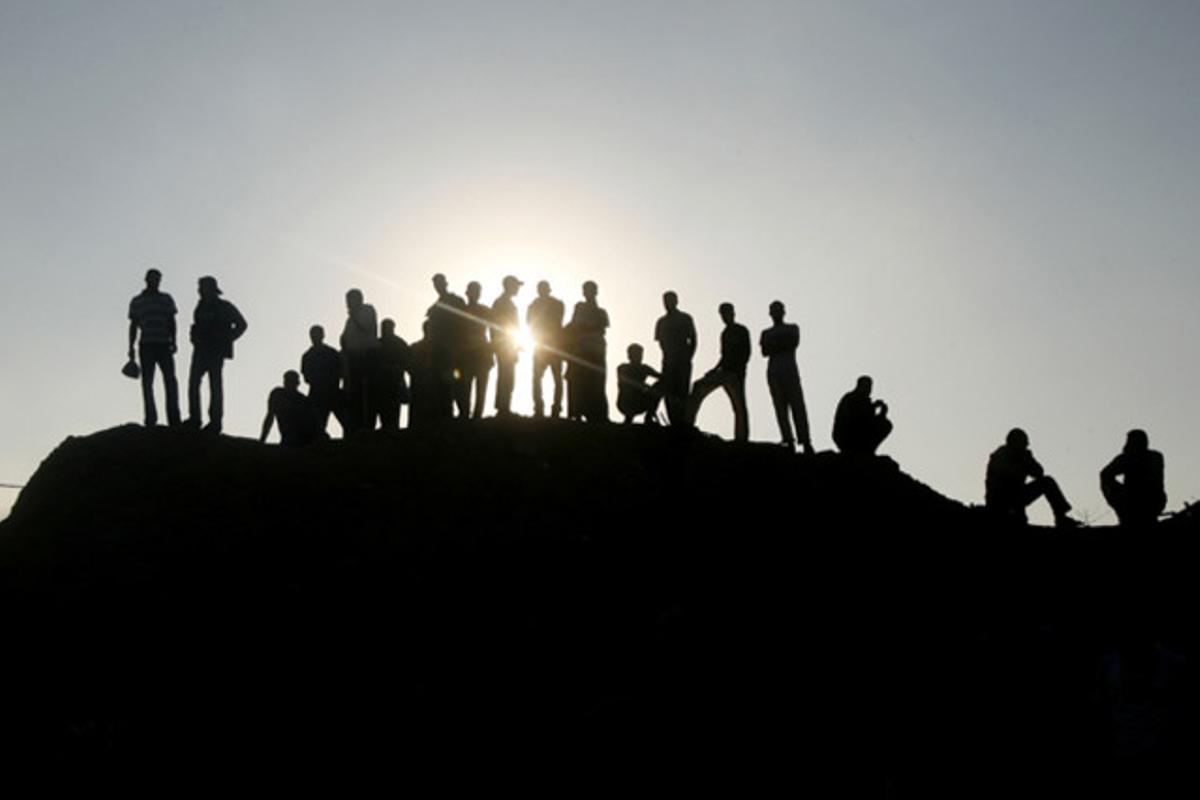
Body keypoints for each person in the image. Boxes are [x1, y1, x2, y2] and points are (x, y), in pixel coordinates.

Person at [186, 276, 247, 434]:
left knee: (215, 386)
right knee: (194, 383)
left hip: (215, 351)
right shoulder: (200, 307)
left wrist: (227, 339)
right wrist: (194, 336)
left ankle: (215, 423)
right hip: (200, 350)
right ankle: (195, 419)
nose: (199, 291)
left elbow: (242, 324)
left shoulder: (224, 306)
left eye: (202, 287)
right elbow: (197, 325)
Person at [985, 428, 1079, 527]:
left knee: (1047, 482)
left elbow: (1039, 472)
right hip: (1000, 501)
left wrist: (1028, 460)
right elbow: (1007, 479)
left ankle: (1061, 517)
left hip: (1016, 497)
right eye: (1024, 443)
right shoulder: (1000, 455)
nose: (1026, 446)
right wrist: (1022, 463)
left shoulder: (1023, 456)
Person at [687, 303, 750, 442]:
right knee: (698, 386)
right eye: (722, 314)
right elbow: (724, 356)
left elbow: (746, 352)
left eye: (726, 313)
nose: (724, 317)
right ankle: (688, 424)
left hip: (735, 373)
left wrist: (738, 370)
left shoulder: (741, 330)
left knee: (739, 406)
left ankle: (741, 438)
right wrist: (714, 370)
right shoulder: (725, 333)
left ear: (733, 313)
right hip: (724, 371)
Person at [127, 268, 181, 427]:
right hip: (147, 344)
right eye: (153, 279)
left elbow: (172, 321)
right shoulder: (137, 301)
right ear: (147, 280)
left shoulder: (166, 299)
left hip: (163, 343)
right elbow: (133, 325)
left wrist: (173, 340)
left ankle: (173, 418)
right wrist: (131, 347)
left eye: (158, 279)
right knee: (148, 382)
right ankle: (150, 418)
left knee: (170, 381)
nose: (156, 282)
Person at [760, 300, 812, 454]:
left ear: (783, 312)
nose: (776, 313)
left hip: (789, 370)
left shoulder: (792, 328)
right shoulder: (766, 333)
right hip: (774, 371)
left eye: (778, 309)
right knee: (780, 408)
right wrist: (779, 343)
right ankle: (788, 439)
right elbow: (765, 351)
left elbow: (792, 343)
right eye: (773, 310)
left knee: (797, 406)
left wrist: (775, 344)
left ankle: (805, 441)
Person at [1100, 429, 1166, 526]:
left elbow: (1105, 474)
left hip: (1138, 501)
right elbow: (1106, 474)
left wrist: (1118, 494)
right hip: (1153, 501)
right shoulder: (1156, 456)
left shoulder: (1129, 458)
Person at [565, 280, 610, 423]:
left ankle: (598, 415)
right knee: (581, 383)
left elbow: (601, 328)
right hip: (582, 350)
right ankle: (579, 413)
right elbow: (574, 327)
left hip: (596, 350)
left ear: (595, 292)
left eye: (590, 290)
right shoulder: (580, 307)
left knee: (597, 384)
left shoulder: (601, 311)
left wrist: (583, 329)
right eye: (586, 290)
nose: (588, 293)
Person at [426, 274, 468, 419]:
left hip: (455, 350)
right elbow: (431, 332)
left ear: (445, 283)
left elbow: (464, 323)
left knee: (458, 385)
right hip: (441, 352)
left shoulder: (456, 301)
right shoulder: (435, 308)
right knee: (444, 386)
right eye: (436, 284)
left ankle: (463, 415)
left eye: (440, 283)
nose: (438, 286)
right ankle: (447, 417)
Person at [654, 291, 697, 426]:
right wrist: (668, 355)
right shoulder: (662, 322)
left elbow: (693, 339)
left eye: (670, 301)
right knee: (669, 391)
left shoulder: (685, 318)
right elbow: (660, 342)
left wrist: (688, 357)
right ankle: (673, 422)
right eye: (665, 301)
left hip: (683, 361)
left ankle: (683, 422)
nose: (667, 304)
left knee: (682, 391)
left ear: (676, 301)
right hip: (668, 361)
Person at [339, 288, 379, 434]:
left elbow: (367, 328)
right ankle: (356, 426)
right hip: (353, 359)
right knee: (354, 393)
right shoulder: (349, 320)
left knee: (367, 392)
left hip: (367, 356)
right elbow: (345, 338)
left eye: (349, 300)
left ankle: (367, 426)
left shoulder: (367, 310)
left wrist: (354, 317)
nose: (347, 304)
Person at [527, 280, 565, 418]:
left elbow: (531, 323)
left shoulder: (553, 304)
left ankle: (552, 408)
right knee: (541, 378)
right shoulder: (535, 305)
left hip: (551, 346)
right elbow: (530, 324)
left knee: (554, 378)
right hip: (544, 346)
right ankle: (541, 408)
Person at [832, 376, 892, 456]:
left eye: (869, 387)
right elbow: (855, 418)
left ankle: (868, 450)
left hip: (860, 433)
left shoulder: (866, 402)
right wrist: (872, 407)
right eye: (866, 387)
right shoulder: (850, 398)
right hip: (846, 435)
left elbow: (871, 421)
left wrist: (882, 413)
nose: (868, 390)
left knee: (885, 424)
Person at [301, 324, 343, 436]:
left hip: (332, 391)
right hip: (319, 393)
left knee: (346, 420)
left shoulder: (331, 353)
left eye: (317, 334)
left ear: (322, 335)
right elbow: (307, 377)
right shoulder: (308, 356)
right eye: (313, 334)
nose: (315, 337)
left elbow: (340, 372)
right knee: (317, 426)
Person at [259, 370, 321, 446]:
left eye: (291, 380)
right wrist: (262, 440)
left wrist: (262, 440)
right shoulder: (278, 394)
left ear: (297, 383)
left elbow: (314, 423)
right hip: (290, 438)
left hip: (304, 438)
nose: (288, 383)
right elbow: (270, 417)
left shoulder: (303, 400)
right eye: (287, 380)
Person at [491, 276, 523, 417]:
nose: (518, 288)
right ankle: (503, 407)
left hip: (508, 345)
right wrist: (498, 344)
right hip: (504, 346)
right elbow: (496, 326)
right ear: (509, 286)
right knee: (506, 376)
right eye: (516, 285)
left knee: (508, 377)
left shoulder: (506, 302)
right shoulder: (501, 303)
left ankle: (504, 406)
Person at [461, 281, 493, 419]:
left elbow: (495, 329)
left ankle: (476, 415)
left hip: (482, 353)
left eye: (477, 291)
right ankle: (465, 414)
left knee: (480, 387)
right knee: (465, 386)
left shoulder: (485, 310)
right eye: (474, 291)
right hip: (467, 354)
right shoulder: (461, 310)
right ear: (468, 293)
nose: (476, 294)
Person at [374, 319, 410, 431]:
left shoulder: (398, 344)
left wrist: (394, 368)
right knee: (384, 410)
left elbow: (407, 362)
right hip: (381, 384)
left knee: (392, 413)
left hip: (394, 383)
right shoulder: (377, 343)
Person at [616, 344, 662, 424]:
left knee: (660, 387)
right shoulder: (623, 368)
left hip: (640, 401)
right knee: (630, 393)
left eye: (640, 354)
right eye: (636, 354)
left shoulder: (644, 368)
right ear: (629, 356)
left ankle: (648, 417)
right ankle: (630, 418)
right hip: (626, 402)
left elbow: (660, 377)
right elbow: (625, 384)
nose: (639, 357)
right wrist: (645, 387)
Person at [406, 321, 435, 429]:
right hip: (423, 387)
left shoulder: (414, 347)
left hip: (422, 387)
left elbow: (408, 366)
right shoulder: (437, 349)